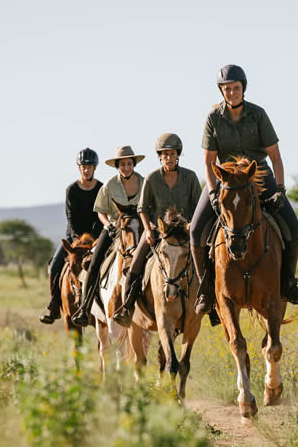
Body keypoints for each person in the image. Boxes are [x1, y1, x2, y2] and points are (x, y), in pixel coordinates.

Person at [189, 64, 298, 315]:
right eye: (227, 89)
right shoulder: (213, 118)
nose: (231, 92)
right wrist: (212, 193)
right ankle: (205, 290)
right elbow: (209, 161)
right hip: (224, 179)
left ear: (243, 89)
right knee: (197, 230)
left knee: (292, 225)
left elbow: (275, 157)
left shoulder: (258, 114)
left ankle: (288, 282)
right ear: (221, 91)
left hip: (258, 175)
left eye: (235, 88)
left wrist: (280, 190)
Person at [113, 132, 202, 326]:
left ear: (178, 155)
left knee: (207, 262)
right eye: (165, 154)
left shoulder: (190, 177)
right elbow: (142, 208)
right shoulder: (152, 178)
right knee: (135, 265)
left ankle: (210, 306)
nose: (169, 158)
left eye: (172, 154)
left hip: (184, 232)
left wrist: (191, 227)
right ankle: (126, 307)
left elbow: (198, 207)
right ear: (159, 156)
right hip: (157, 231)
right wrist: (148, 231)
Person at [70, 145, 146, 327]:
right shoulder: (110, 185)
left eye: (129, 163)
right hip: (114, 228)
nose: (126, 167)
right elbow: (100, 211)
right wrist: (109, 225)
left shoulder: (144, 182)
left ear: (133, 164)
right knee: (94, 262)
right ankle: (85, 306)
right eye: (122, 164)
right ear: (117, 166)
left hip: (138, 228)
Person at [39, 148, 104, 324]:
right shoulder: (72, 190)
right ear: (79, 167)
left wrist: (93, 238)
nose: (86, 170)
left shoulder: (101, 188)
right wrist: (77, 239)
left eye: (89, 166)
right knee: (54, 267)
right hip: (73, 238)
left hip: (95, 239)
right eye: (83, 166)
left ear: (95, 167)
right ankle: (53, 306)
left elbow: (100, 216)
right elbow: (71, 217)